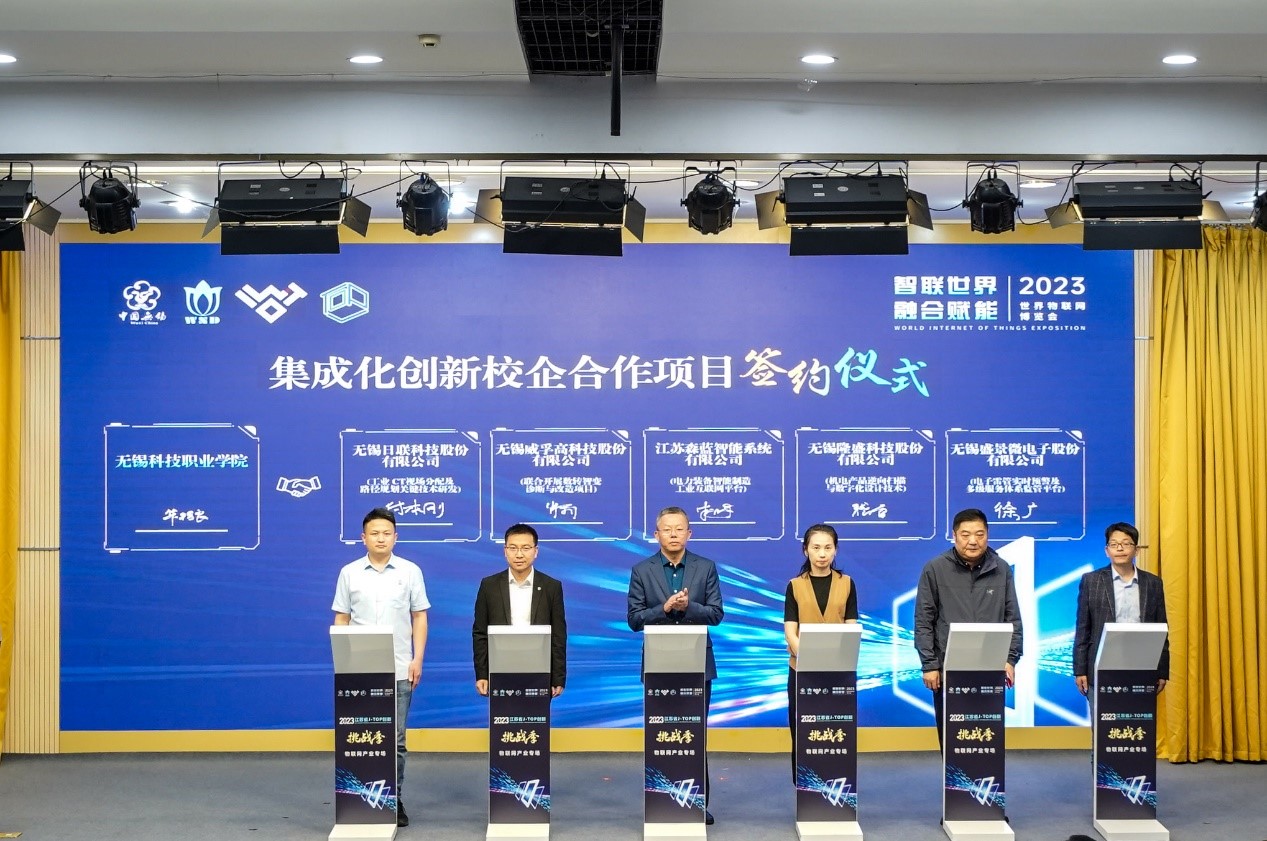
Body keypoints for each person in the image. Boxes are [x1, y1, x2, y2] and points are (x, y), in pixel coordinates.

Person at [332, 507, 430, 828]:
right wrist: (344, 661)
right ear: (363, 538)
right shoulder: (349, 573)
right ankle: (359, 798)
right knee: (359, 736)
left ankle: (392, 798)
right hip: (358, 671)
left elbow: (419, 616)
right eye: (374, 533)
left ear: (395, 537)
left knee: (395, 740)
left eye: (386, 533)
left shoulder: (410, 571)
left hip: (399, 668)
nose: (380, 538)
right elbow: (342, 618)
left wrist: (417, 658)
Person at [627, 506, 724, 825]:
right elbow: (634, 619)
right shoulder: (641, 570)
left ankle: (697, 804)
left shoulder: (705, 567)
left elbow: (716, 614)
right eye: (666, 529)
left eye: (679, 529)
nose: (673, 534)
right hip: (658, 664)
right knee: (662, 734)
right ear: (656, 534)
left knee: (695, 734)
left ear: (689, 533)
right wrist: (665, 608)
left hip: (697, 663)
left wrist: (688, 606)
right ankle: (661, 801)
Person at [914, 508, 1022, 746]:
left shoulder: (1001, 569)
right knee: (953, 737)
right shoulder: (935, 568)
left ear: (987, 535)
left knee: (986, 736)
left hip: (991, 667)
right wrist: (930, 665)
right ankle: (952, 773)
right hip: (948, 669)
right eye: (965, 535)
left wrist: (1010, 659)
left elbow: (1012, 617)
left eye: (979, 534)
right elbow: (923, 620)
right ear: (954, 535)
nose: (973, 541)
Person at [1073, 522, 1169, 695]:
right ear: (1107, 550)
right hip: (1101, 664)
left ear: (1136, 550)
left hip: (1143, 663)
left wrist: (1162, 670)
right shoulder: (1091, 581)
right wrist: (1080, 670)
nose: (1120, 548)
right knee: (1103, 712)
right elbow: (1082, 629)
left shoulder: (1153, 583)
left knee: (1138, 712)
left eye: (1126, 543)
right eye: (1114, 544)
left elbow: (1161, 628)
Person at [472, 523, 568, 697]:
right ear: (505, 551)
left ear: (535, 551)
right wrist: (482, 674)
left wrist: (558, 677)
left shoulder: (551, 587)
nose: (519, 554)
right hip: (500, 668)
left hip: (539, 669)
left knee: (536, 714)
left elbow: (558, 635)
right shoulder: (489, 586)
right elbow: (480, 633)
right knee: (503, 714)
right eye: (513, 548)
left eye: (525, 548)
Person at [784, 523, 859, 735]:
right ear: (805, 550)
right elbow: (790, 632)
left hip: (839, 670)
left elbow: (851, 627)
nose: (822, 554)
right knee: (803, 731)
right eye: (816, 548)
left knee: (836, 729)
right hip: (801, 669)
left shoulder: (847, 583)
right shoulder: (795, 585)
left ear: (836, 550)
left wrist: (836, 658)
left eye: (828, 547)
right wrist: (809, 658)